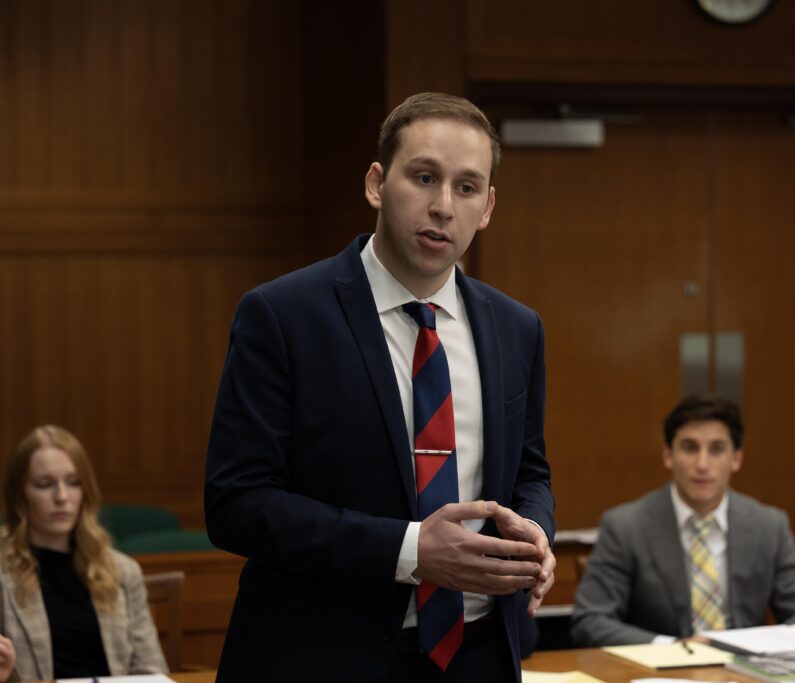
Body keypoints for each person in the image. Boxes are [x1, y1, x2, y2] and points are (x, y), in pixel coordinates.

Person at [205, 92, 556, 682]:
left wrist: (534, 534)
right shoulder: (282, 315)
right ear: (375, 183)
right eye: (424, 177)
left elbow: (530, 472)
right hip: (321, 660)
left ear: (488, 206)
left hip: (479, 657)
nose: (443, 206)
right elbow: (236, 504)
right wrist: (412, 551)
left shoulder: (517, 328)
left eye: (467, 188)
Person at [571, 396, 795, 646]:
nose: (702, 464)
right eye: (690, 448)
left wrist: (759, 647)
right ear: (668, 455)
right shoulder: (626, 527)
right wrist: (674, 648)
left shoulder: (769, 526)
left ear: (736, 458)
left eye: (716, 449)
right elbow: (590, 621)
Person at [0, 425, 168, 680]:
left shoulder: (122, 571)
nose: (62, 496)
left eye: (73, 482)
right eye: (45, 485)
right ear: (20, 495)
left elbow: (150, 671)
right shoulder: (3, 572)